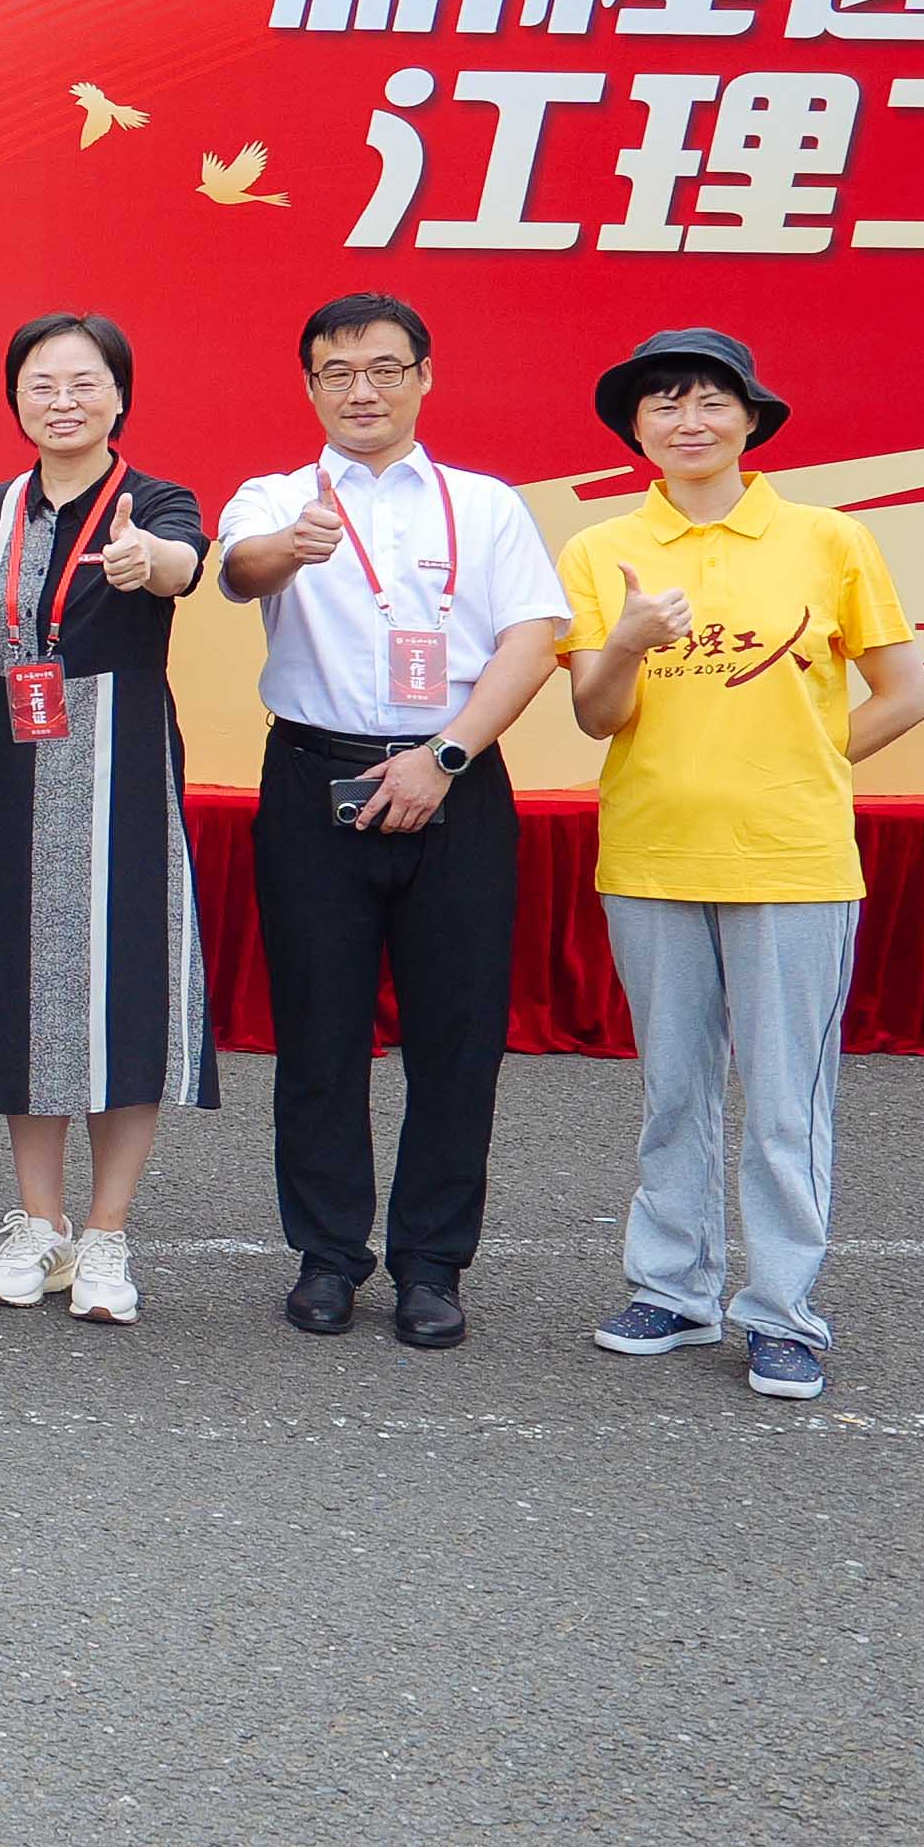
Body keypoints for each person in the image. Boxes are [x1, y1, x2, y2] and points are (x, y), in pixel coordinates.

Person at [562, 328, 924, 1406]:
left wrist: (807, 769)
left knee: (783, 1106)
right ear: (635, 432)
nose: (690, 421)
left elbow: (905, 693)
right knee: (674, 1092)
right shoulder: (602, 549)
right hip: (652, 852)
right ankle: (674, 1290)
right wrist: (628, 640)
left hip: (793, 860)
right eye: (664, 404)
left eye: (712, 400)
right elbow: (595, 714)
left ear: (752, 419)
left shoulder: (828, 539)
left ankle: (781, 1313)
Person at [213, 292, 572, 1350]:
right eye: (336, 372)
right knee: (318, 1032)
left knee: (457, 1037)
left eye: (383, 369)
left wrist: (445, 756)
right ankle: (328, 1256)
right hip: (313, 781)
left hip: (456, 781)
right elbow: (238, 571)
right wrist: (293, 547)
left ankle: (431, 1263)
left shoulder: (486, 505)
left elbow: (532, 640)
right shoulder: (276, 497)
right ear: (309, 386)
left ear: (424, 377)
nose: (360, 390)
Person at [0, 313, 222, 1329]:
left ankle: (107, 1234)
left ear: (120, 395)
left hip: (121, 769)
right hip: (14, 772)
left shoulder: (159, 501)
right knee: (26, 997)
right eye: (41, 384)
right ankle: (38, 1223)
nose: (62, 400)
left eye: (84, 381)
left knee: (123, 995)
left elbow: (183, 564)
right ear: (15, 399)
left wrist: (151, 560)